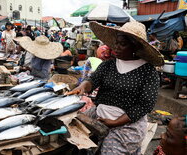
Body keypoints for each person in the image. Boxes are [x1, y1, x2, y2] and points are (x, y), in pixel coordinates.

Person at [67, 21, 164, 154]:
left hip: (127, 124)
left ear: (135, 47)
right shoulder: (108, 65)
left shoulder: (148, 71)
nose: (116, 47)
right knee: (71, 131)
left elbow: (145, 105)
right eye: (116, 42)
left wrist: (116, 122)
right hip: (99, 115)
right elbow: (92, 81)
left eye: (123, 44)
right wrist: (82, 87)